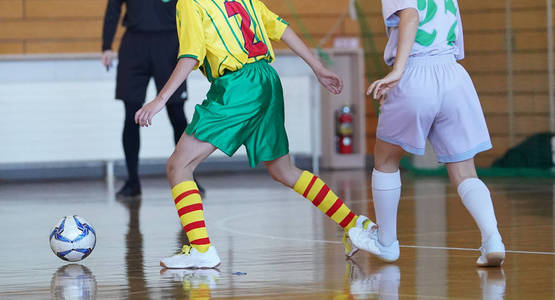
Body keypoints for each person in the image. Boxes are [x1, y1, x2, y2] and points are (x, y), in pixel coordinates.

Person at [134, 0, 377, 268]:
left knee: (178, 166)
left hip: (239, 86)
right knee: (284, 171)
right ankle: (354, 224)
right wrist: (316, 66)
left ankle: (201, 249)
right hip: (267, 80)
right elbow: (282, 29)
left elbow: (191, 55)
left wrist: (160, 99)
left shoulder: (191, 3)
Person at [348, 0, 505, 267]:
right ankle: (493, 240)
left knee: (386, 160)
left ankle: (386, 243)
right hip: (454, 76)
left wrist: (398, 71)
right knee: (465, 172)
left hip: (415, 72)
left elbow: (410, 15)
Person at [101, 0, 204, 198]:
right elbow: (113, 7)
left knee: (177, 114)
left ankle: (189, 178)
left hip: (169, 41)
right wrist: (106, 45)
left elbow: (195, 7)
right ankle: (132, 181)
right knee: (131, 115)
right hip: (134, 43)